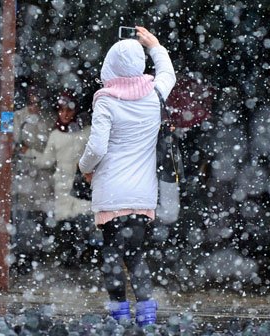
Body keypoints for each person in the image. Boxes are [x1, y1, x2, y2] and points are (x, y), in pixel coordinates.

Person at [78, 26, 176, 327]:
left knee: (111, 253)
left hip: (111, 190)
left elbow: (96, 147)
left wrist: (84, 168)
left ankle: (118, 314)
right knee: (134, 255)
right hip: (142, 192)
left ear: (110, 65)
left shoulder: (106, 100)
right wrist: (155, 46)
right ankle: (146, 315)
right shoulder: (155, 94)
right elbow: (167, 74)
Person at [23, 90, 93, 269]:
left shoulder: (86, 132)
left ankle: (83, 256)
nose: (65, 114)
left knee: (84, 218)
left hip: (82, 184)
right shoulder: (56, 134)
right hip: (63, 184)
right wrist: (29, 153)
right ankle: (70, 258)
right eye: (61, 111)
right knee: (65, 221)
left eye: (69, 111)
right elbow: (47, 161)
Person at [12, 84, 54, 274]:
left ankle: (35, 254)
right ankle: (23, 255)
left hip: (43, 176)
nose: (34, 97)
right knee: (23, 217)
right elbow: (13, 142)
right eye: (31, 93)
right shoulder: (18, 116)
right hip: (24, 174)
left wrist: (33, 153)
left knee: (39, 216)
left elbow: (51, 150)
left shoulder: (48, 118)